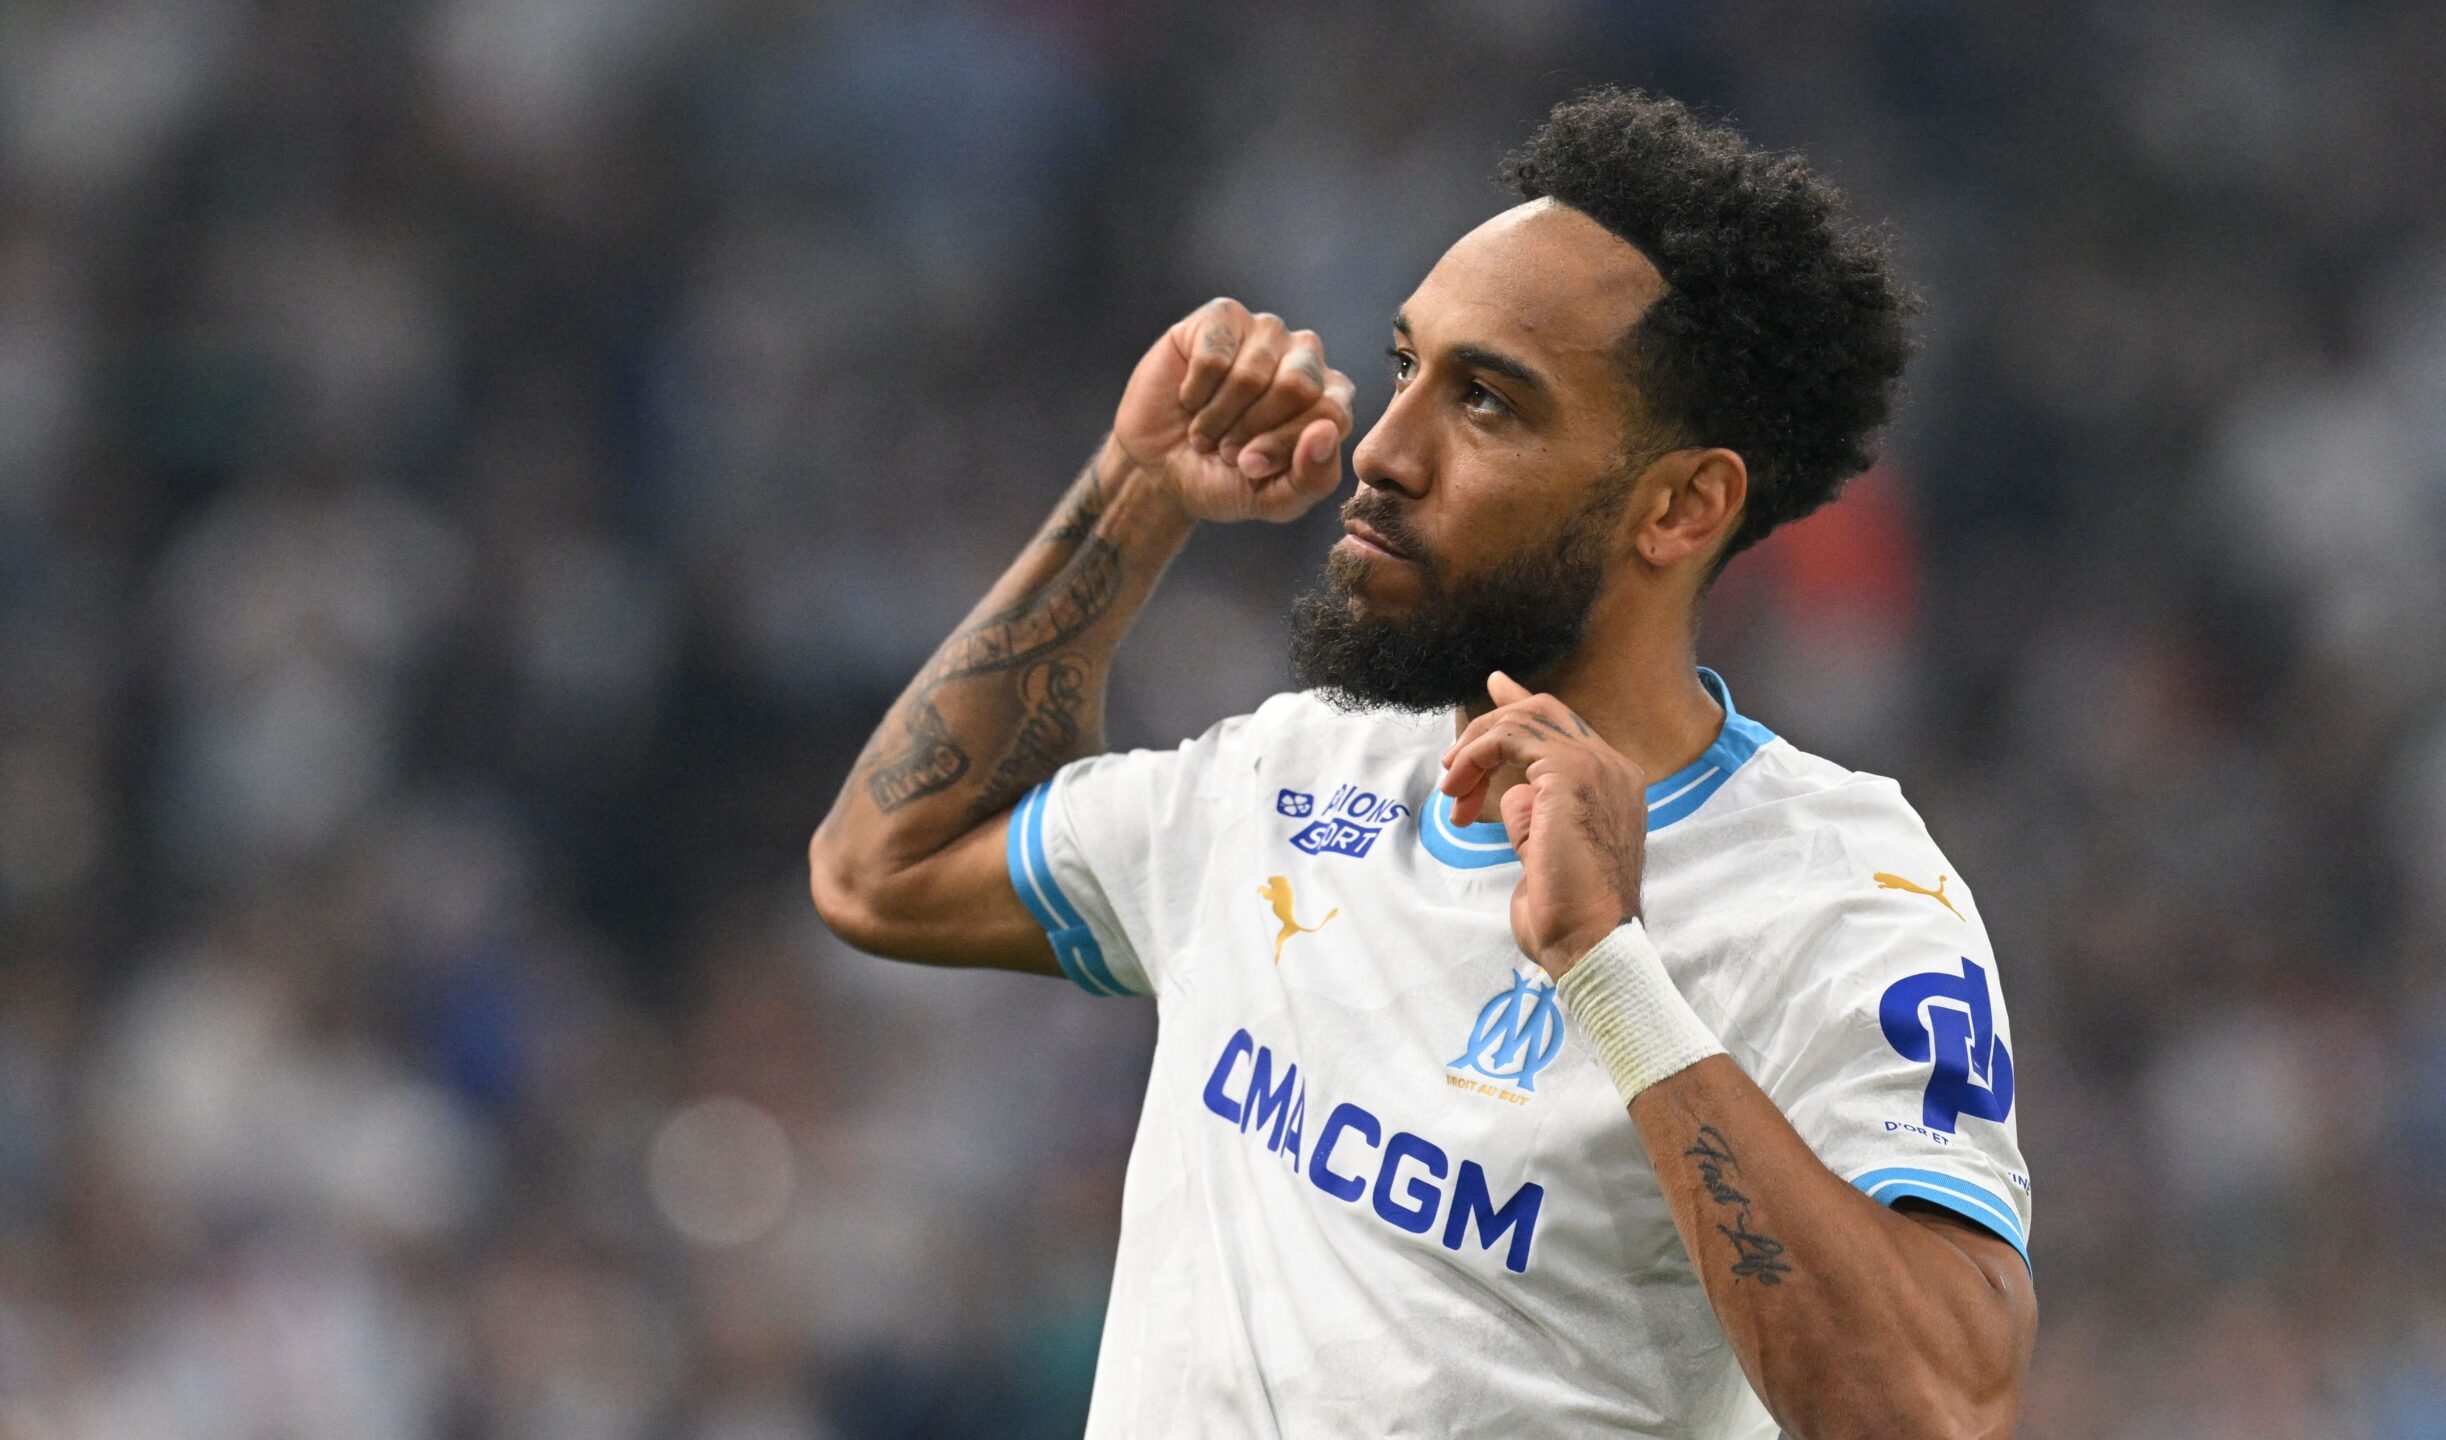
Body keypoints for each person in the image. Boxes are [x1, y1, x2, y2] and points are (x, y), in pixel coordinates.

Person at [811, 87, 2035, 1438]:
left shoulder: (1836, 897)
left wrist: (1610, 968)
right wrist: (1137, 489)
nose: (1384, 451)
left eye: (1488, 403)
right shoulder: (1287, 775)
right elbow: (883, 870)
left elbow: (1937, 1406)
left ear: (1683, 506)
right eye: (1406, 368)